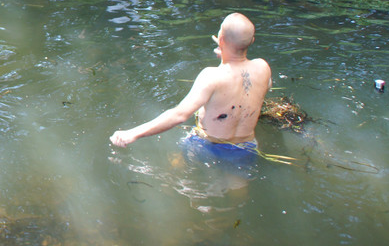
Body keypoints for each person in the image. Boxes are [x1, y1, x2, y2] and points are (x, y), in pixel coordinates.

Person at [110, 13, 272, 157]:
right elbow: (263, 87)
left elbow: (180, 115)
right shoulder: (263, 67)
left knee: (176, 167)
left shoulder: (211, 76)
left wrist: (133, 133)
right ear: (252, 41)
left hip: (206, 145)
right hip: (246, 148)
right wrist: (226, 55)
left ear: (221, 40)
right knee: (237, 182)